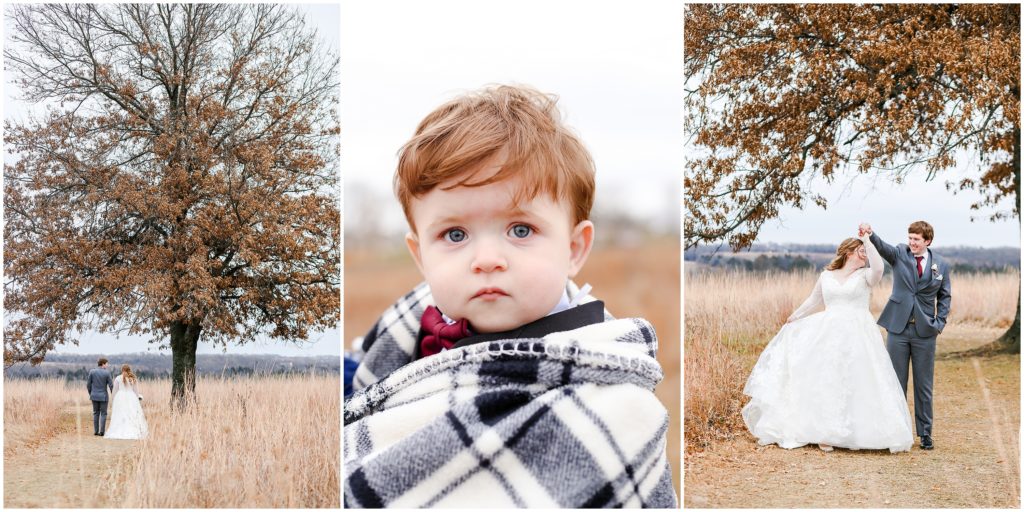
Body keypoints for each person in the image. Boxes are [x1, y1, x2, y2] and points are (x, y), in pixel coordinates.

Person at [343, 85, 675, 508]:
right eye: (454, 234)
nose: (486, 259)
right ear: (420, 255)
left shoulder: (612, 405)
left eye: (521, 230)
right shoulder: (401, 334)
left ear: (573, 249)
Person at [742, 232, 914, 453]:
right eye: (861, 252)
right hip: (829, 332)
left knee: (857, 378)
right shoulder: (827, 276)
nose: (865, 256)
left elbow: (880, 267)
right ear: (849, 253)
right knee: (828, 378)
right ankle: (825, 432)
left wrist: (869, 241)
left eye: (866, 253)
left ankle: (856, 431)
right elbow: (814, 300)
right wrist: (795, 316)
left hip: (858, 333)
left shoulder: (867, 275)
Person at [861, 221, 951, 451]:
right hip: (898, 329)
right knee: (896, 382)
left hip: (925, 332)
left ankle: (925, 434)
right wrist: (871, 234)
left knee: (924, 386)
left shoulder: (941, 264)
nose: (912, 242)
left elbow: (945, 296)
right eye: (910, 238)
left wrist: (938, 323)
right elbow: (882, 247)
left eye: (916, 239)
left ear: (927, 241)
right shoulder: (900, 253)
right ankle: (896, 431)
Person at [105, 364, 149, 440]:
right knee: (131, 413)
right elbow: (135, 391)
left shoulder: (118, 378)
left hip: (120, 397)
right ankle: (132, 428)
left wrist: (113, 400)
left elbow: (114, 391)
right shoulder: (133, 378)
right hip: (131, 397)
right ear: (129, 370)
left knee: (121, 413)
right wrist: (137, 399)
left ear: (122, 370)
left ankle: (121, 428)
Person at [87, 357, 114, 436]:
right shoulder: (107, 373)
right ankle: (102, 431)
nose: (107, 365)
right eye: (106, 364)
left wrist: (91, 393)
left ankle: (96, 431)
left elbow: (88, 385)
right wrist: (114, 395)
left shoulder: (92, 372)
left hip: (94, 395)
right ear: (103, 364)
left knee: (95, 413)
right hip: (103, 396)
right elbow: (111, 386)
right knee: (103, 413)